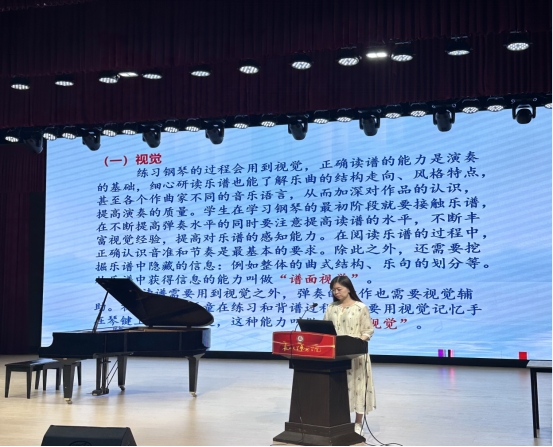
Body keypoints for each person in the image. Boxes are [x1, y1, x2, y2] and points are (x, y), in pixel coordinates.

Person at [323, 275, 375, 435]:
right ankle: (339, 420)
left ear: (349, 288)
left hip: (355, 355)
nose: (336, 292)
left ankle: (358, 423)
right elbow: (325, 329)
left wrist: (356, 344)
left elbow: (368, 330)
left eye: (339, 289)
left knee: (358, 388)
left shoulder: (360, 307)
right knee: (338, 388)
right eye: (333, 290)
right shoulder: (331, 307)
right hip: (336, 355)